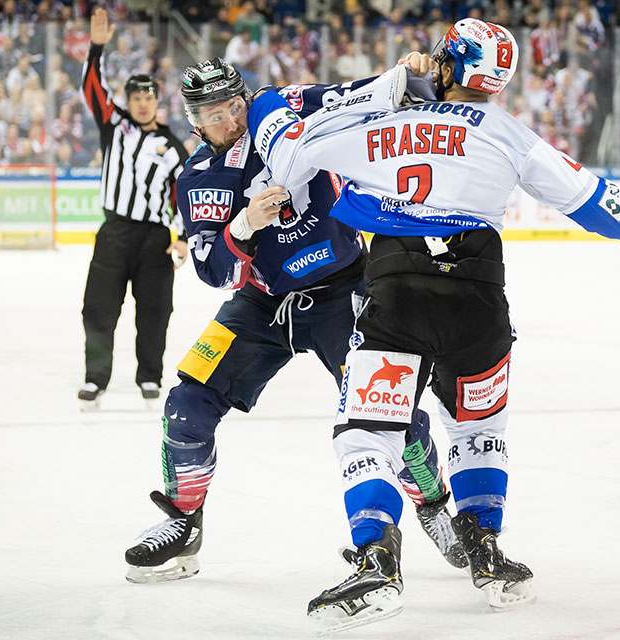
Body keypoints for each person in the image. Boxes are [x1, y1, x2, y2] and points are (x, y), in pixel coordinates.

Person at [247, 18, 620, 632]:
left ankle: (376, 562)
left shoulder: (381, 124)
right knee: (478, 424)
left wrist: (381, 88)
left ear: (443, 63)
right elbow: (588, 194)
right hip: (479, 300)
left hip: (396, 295)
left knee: (369, 432)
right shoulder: (509, 133)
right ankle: (487, 556)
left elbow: (285, 143)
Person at [121, 58, 466, 585]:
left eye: (234, 107)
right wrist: (243, 224)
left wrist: (406, 73)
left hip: (345, 291)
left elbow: (359, 94)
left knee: (391, 412)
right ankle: (184, 521)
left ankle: (433, 504)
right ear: (194, 120)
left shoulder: (281, 107)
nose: (231, 121)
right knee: (185, 405)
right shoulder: (196, 178)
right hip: (262, 305)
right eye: (215, 115)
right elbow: (213, 272)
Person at [78, 7, 189, 410]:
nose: (142, 104)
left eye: (148, 97)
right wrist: (96, 49)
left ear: (158, 101)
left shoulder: (173, 147)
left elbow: (185, 199)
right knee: (98, 309)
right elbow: (91, 88)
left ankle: (149, 376)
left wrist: (182, 239)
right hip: (115, 234)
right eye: (135, 98)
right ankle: (96, 378)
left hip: (155, 240)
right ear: (127, 102)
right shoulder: (115, 126)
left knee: (155, 311)